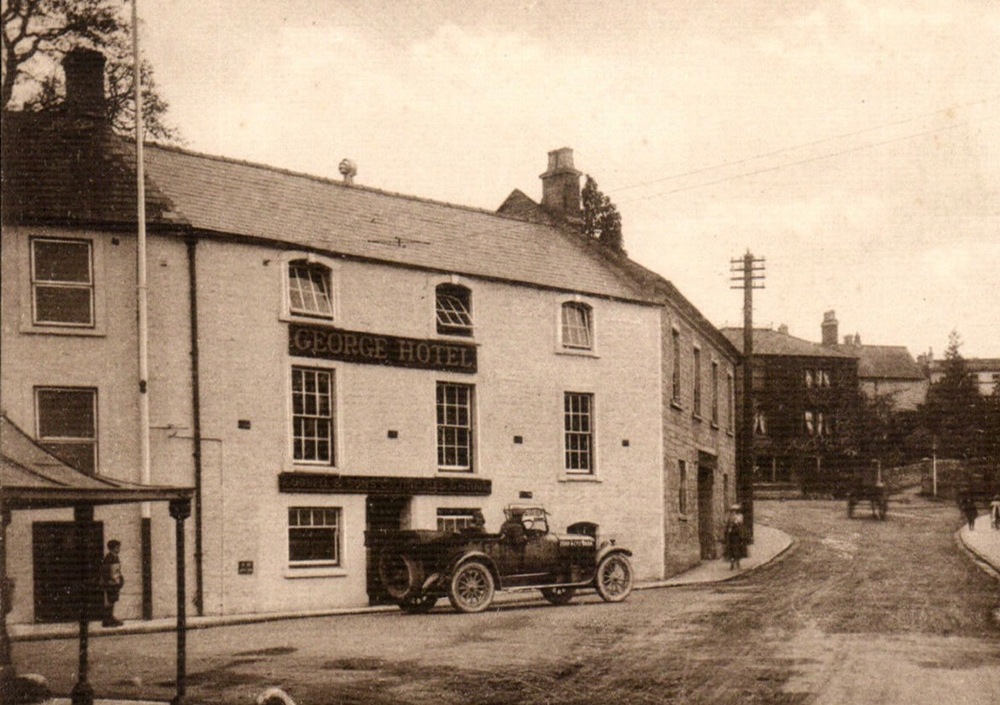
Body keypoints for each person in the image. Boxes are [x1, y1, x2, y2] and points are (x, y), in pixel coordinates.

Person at [100, 539, 124, 627]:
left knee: (112, 600)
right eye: (117, 547)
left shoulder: (114, 557)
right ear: (112, 548)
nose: (119, 549)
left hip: (114, 582)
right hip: (111, 583)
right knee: (109, 601)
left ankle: (110, 618)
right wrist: (111, 581)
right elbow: (108, 571)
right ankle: (107, 619)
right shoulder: (110, 558)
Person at [722, 504, 747, 570]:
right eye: (733, 510)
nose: (734, 511)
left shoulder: (740, 516)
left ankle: (738, 564)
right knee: (731, 550)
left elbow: (740, 526)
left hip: (737, 536)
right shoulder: (730, 517)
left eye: (735, 510)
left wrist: (736, 522)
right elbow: (726, 525)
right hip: (731, 536)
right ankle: (732, 564)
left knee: (738, 550)